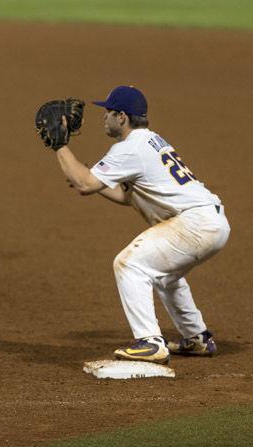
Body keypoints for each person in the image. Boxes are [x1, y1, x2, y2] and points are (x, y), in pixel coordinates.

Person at [52, 85, 230, 364]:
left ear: (122, 117)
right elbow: (126, 195)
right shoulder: (152, 141)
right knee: (164, 275)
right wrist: (89, 178)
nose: (105, 117)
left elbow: (85, 183)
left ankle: (150, 342)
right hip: (211, 221)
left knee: (130, 264)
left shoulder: (129, 149)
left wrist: (60, 147)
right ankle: (196, 338)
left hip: (195, 223)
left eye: (108, 112)